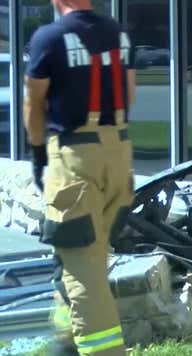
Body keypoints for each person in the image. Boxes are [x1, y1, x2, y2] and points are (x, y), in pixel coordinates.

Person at [23, 0, 135, 355]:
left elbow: (33, 103)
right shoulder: (117, 33)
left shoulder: (49, 37)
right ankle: (66, 343)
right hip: (118, 153)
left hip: (74, 157)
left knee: (82, 268)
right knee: (87, 256)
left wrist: (39, 154)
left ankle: (102, 351)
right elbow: (128, 94)